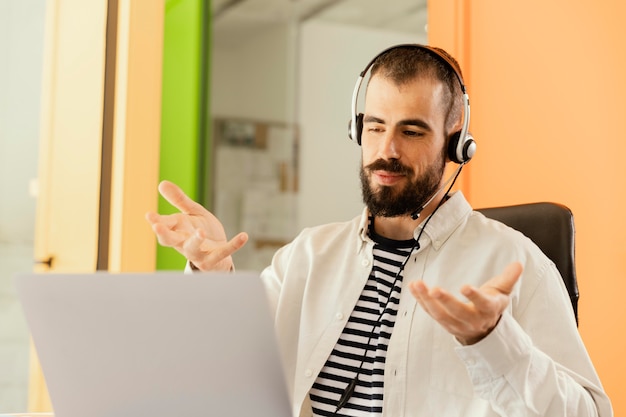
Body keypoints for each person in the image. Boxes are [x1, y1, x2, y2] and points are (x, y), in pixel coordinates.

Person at [145, 44, 612, 417]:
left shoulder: (515, 263)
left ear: (456, 144)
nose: (386, 150)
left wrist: (493, 340)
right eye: (374, 126)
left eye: (411, 131)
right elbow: (226, 371)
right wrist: (214, 276)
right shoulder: (310, 255)